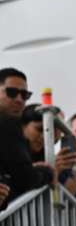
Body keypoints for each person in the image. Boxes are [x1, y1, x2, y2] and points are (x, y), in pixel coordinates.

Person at [0, 67, 54, 204]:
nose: (19, 99)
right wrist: (46, 171)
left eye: (25, 95)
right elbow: (27, 179)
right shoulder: (8, 124)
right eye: (11, 92)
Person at [19, 104, 76, 194]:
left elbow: (61, 198)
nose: (44, 136)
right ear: (23, 126)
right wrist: (47, 172)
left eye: (50, 131)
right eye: (40, 129)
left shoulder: (50, 157)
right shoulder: (10, 152)